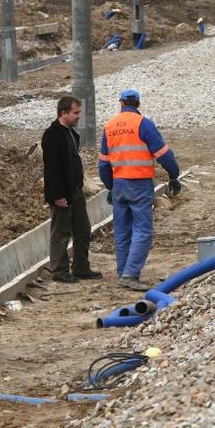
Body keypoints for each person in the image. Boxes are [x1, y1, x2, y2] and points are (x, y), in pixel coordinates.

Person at [99, 89, 182, 291]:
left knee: (122, 230)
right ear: (137, 104)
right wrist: (173, 175)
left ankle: (122, 271)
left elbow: (103, 164)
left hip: (119, 184)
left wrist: (110, 187)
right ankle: (130, 274)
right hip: (139, 184)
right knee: (142, 230)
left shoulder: (109, 126)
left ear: (121, 103)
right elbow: (164, 154)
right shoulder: (143, 124)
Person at [42, 95, 102, 283]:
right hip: (62, 194)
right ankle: (59, 271)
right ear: (64, 113)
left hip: (76, 191)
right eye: (75, 113)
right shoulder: (53, 135)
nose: (78, 117)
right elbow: (52, 168)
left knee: (83, 229)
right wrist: (58, 195)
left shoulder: (70, 134)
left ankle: (81, 267)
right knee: (61, 232)